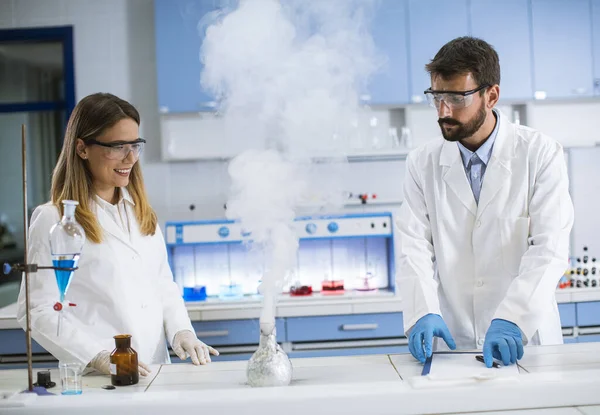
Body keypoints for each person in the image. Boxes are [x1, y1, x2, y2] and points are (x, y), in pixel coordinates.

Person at [396, 37, 574, 368]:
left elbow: (549, 248)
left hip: (526, 339)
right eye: (436, 97)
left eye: (456, 97)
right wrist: (422, 310)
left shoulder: (540, 153)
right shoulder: (422, 163)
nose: (443, 111)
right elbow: (413, 246)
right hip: (454, 341)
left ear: (491, 95)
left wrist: (514, 318)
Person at [17, 93, 219, 375]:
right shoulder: (54, 219)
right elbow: (37, 310)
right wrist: (97, 357)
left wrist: (181, 331)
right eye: (117, 146)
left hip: (156, 369)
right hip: (99, 379)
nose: (130, 158)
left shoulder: (142, 213)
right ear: (82, 148)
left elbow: (162, 284)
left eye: (135, 145)